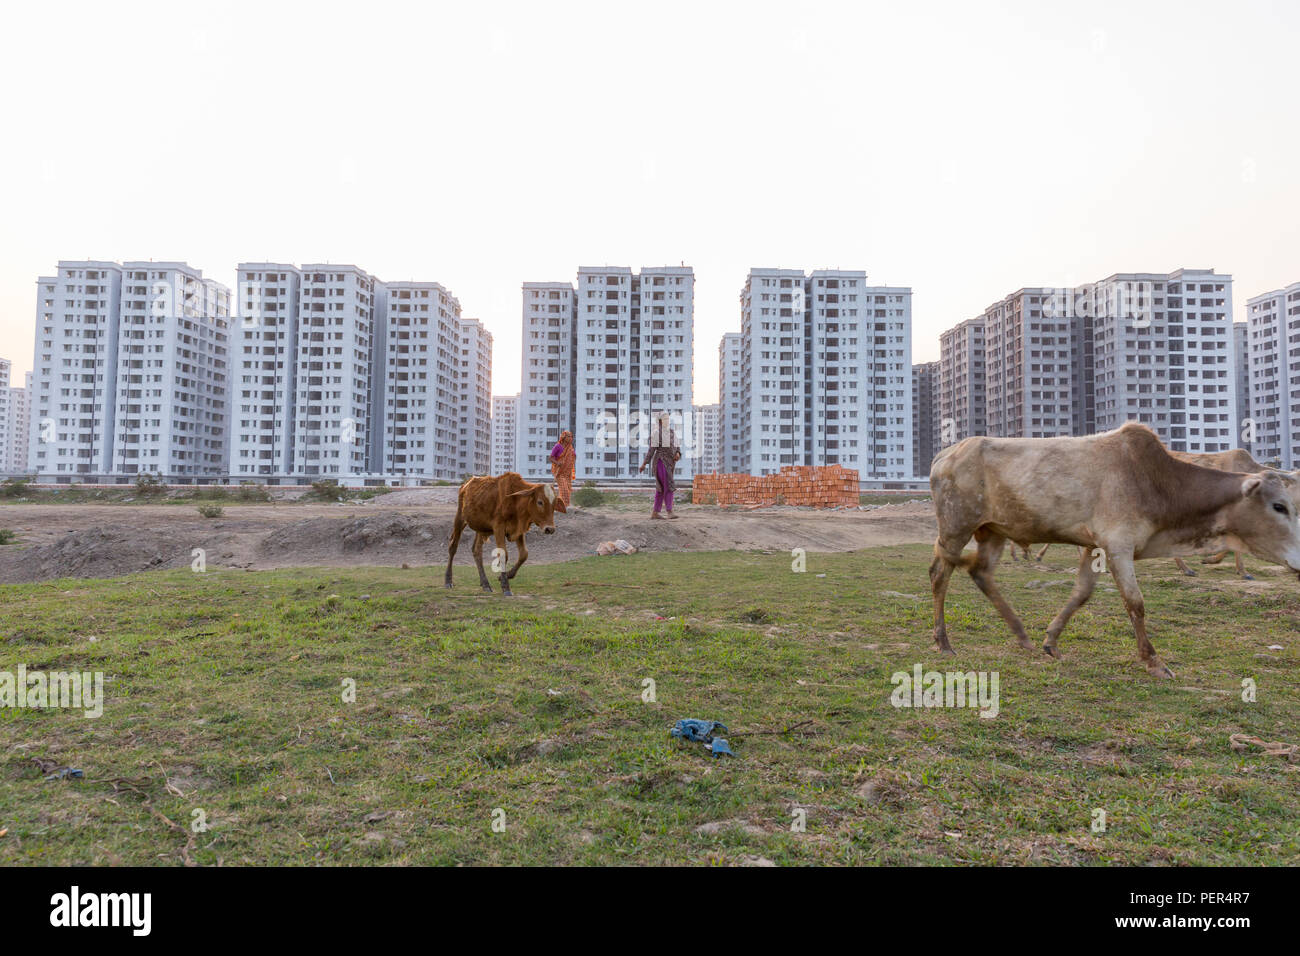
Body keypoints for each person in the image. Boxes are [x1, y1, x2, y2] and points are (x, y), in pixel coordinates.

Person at [638, 412, 681, 519]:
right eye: (664, 419)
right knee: (668, 486)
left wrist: (678, 454)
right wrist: (644, 464)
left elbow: (677, 447)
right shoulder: (656, 434)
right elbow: (651, 451)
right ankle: (669, 511)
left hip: (670, 464)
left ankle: (655, 513)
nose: (667, 421)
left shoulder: (672, 433)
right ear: (660, 421)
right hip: (661, 463)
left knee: (661, 488)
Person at [548, 429, 576, 508]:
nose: (571, 438)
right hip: (559, 472)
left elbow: (572, 457)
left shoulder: (570, 448)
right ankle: (565, 507)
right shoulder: (558, 446)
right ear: (564, 437)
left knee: (567, 490)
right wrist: (558, 463)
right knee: (564, 490)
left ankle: (560, 506)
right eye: (569, 436)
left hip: (567, 473)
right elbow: (550, 458)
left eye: (571, 437)